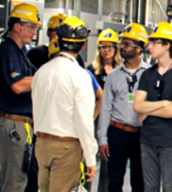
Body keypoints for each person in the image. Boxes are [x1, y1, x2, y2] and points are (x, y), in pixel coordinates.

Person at [32, 17, 98, 192]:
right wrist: (91, 158)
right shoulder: (80, 76)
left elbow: (36, 109)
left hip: (41, 144)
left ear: (57, 42)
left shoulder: (41, 72)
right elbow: (84, 121)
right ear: (83, 46)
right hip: (66, 148)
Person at [133, 22, 172, 192]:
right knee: (149, 187)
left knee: (170, 187)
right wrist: (164, 103)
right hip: (148, 140)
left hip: (170, 141)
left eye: (154, 42)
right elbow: (137, 106)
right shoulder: (146, 75)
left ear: (167, 45)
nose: (149, 47)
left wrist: (148, 110)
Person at [98, 23, 149, 192]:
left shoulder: (149, 74)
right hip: (117, 133)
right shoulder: (113, 76)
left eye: (127, 44)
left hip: (141, 135)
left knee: (139, 182)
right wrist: (103, 139)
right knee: (114, 181)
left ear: (139, 48)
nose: (122, 48)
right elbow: (105, 108)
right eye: (122, 44)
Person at [0, 3, 41, 192]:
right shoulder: (8, 50)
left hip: (22, 123)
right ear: (18, 27)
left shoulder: (22, 52)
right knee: (14, 181)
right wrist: (47, 77)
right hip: (13, 124)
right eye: (31, 27)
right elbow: (17, 85)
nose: (34, 32)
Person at [87, 28, 122, 192]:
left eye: (109, 47)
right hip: (94, 119)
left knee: (109, 163)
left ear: (116, 49)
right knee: (88, 159)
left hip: (113, 121)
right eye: (102, 47)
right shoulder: (92, 70)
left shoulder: (121, 71)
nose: (105, 51)